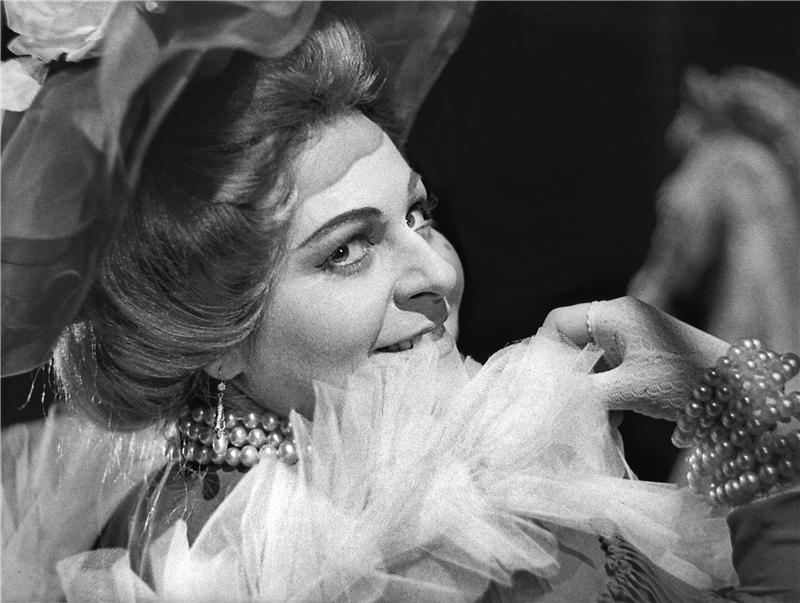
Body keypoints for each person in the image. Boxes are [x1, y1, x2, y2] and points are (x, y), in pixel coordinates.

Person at [2, 4, 798, 602]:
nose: (438, 272)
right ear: (214, 332)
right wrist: (743, 397)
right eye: (347, 250)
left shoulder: (161, 525)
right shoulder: (449, 552)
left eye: (419, 215)